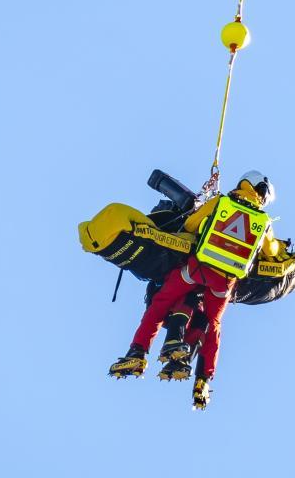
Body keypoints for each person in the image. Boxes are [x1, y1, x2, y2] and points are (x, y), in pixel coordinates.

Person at [108, 170, 283, 409]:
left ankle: (137, 353)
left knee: (160, 303)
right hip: (224, 283)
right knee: (213, 326)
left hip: (197, 269)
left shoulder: (221, 202)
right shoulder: (264, 222)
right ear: (262, 194)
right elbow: (272, 251)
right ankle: (203, 381)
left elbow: (191, 224)